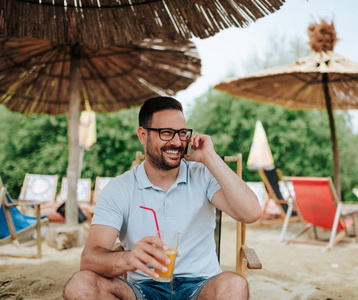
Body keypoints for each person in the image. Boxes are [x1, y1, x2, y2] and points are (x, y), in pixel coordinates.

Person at [63, 96, 261, 300]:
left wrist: (210, 157)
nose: (177, 142)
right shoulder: (119, 189)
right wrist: (129, 258)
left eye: (182, 133)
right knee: (81, 285)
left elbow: (251, 212)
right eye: (166, 133)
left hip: (201, 287)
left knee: (235, 284)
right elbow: (89, 259)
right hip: (142, 289)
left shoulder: (203, 175)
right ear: (143, 135)